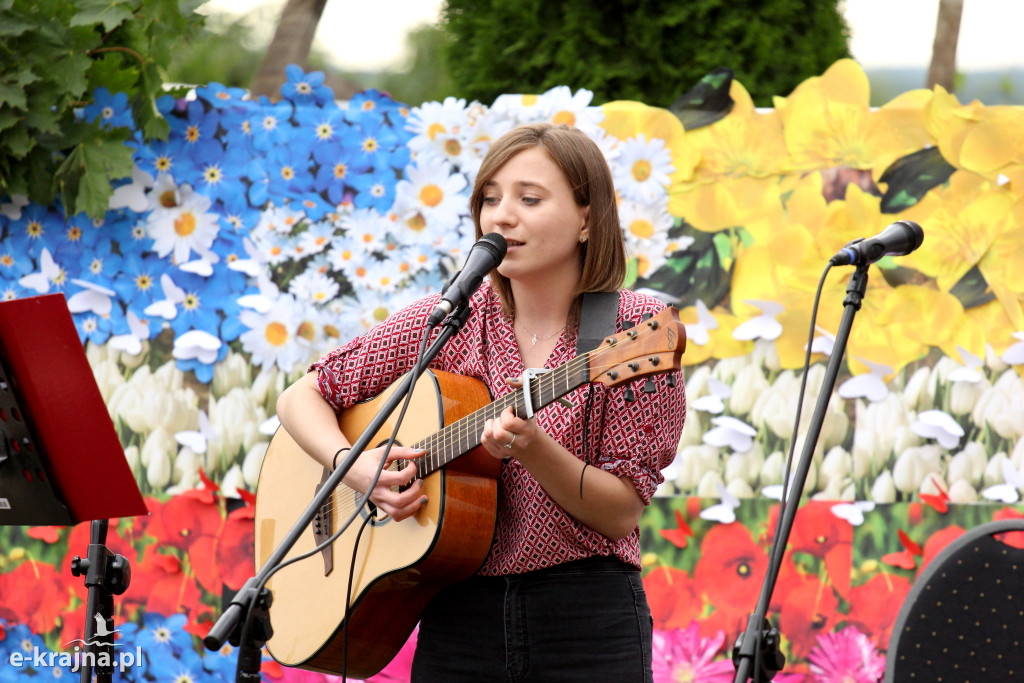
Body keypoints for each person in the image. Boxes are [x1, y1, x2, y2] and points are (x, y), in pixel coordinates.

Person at [275, 122, 687, 682]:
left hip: (585, 621)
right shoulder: (446, 321)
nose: (501, 216)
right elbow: (305, 394)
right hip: (457, 616)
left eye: (529, 198)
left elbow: (619, 513)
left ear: (588, 219)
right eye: (489, 199)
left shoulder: (629, 329)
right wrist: (354, 467)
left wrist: (535, 449)